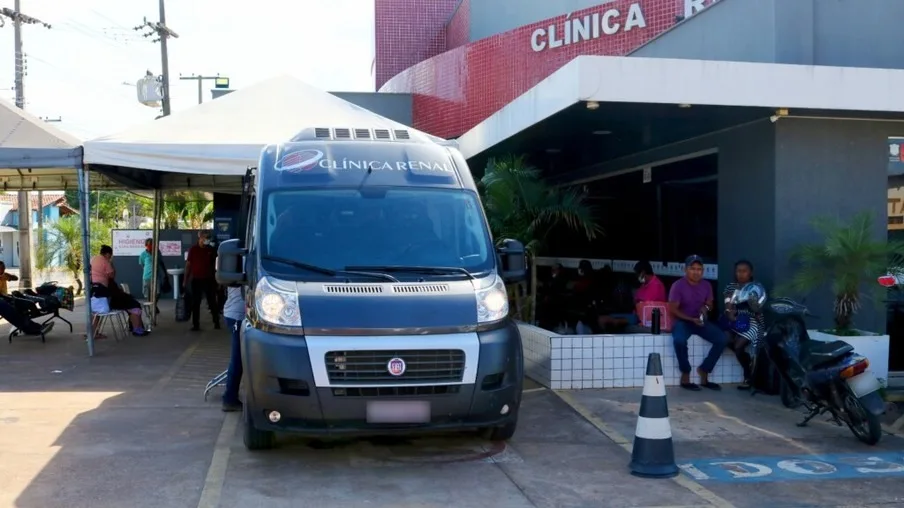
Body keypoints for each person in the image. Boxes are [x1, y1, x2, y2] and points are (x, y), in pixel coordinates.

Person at [668, 255, 727, 391]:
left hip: (700, 321)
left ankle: (704, 370)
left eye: (699, 269)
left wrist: (705, 309)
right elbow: (672, 309)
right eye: (692, 268)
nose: (696, 272)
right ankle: (685, 373)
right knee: (679, 341)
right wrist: (690, 319)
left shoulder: (706, 285)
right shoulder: (678, 285)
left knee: (722, 339)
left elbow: (710, 304)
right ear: (685, 269)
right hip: (683, 321)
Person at [722, 260, 765, 390]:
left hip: (752, 321)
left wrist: (752, 303)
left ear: (750, 273)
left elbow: (759, 308)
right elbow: (727, 301)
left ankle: (748, 374)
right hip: (734, 319)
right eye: (738, 271)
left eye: (744, 271)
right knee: (725, 339)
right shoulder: (731, 286)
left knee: (738, 346)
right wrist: (729, 311)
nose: (741, 274)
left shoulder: (756, 287)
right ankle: (749, 363)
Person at [90, 245, 149, 336]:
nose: (111, 257)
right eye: (110, 255)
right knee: (135, 305)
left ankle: (93, 333)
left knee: (95, 313)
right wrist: (111, 264)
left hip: (95, 295)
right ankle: (137, 329)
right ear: (108, 254)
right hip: (106, 295)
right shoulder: (105, 262)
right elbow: (112, 275)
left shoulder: (93, 259)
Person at [185, 231, 220, 331]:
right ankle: (196, 325)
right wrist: (185, 280)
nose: (206, 240)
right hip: (196, 280)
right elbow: (188, 265)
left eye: (208, 238)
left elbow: (216, 265)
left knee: (212, 301)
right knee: (196, 303)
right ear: (200, 238)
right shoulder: (193, 249)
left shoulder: (211, 250)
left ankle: (216, 322)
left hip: (209, 279)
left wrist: (217, 280)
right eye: (204, 238)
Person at [221, 282, 246, 412]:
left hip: (238, 314)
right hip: (237, 316)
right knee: (238, 360)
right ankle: (229, 398)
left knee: (239, 359)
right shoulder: (240, 263)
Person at [138, 238, 168, 314]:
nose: (152, 246)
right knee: (148, 295)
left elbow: (161, 262)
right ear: (146, 245)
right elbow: (142, 264)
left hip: (156, 277)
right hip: (147, 277)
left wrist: (165, 274)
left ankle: (153, 306)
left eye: (153, 244)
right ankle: (151, 310)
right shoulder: (143, 254)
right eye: (150, 244)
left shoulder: (157, 252)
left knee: (158, 292)